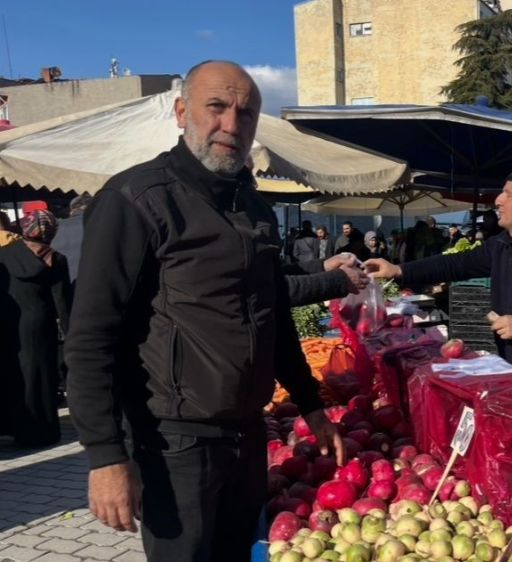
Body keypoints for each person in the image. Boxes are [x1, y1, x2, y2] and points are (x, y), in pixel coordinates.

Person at [65, 60, 345, 562]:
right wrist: (106, 455)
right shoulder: (136, 200)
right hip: (175, 440)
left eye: (246, 113)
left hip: (247, 432)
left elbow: (274, 315)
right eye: (216, 107)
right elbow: (90, 336)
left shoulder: (255, 210)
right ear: (181, 111)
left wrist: (310, 403)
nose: (231, 126)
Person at [366, 168, 512, 380]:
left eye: (508, 194)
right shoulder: (501, 245)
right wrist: (399, 270)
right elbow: (457, 264)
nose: (498, 200)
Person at [0, 210, 72, 447]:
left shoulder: (4, 256)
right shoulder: (56, 259)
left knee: (13, 375)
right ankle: (42, 431)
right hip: (41, 325)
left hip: (9, 323)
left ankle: (13, 428)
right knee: (41, 376)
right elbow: (62, 302)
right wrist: (71, 331)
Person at [50, 194, 92, 284]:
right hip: (93, 284)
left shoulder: (54, 229)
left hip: (65, 284)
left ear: (71, 210)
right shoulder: (98, 226)